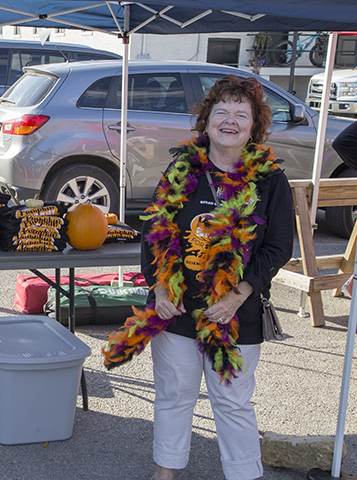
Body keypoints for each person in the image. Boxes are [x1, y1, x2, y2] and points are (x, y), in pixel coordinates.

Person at [103, 75, 294, 480]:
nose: (230, 120)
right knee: (174, 395)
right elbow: (155, 227)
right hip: (180, 307)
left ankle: (244, 475)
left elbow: (278, 248)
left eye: (240, 114)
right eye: (221, 112)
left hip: (235, 312)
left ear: (253, 126)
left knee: (233, 400)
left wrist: (239, 294)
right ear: (205, 123)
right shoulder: (182, 168)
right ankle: (165, 472)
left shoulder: (271, 181)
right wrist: (158, 284)